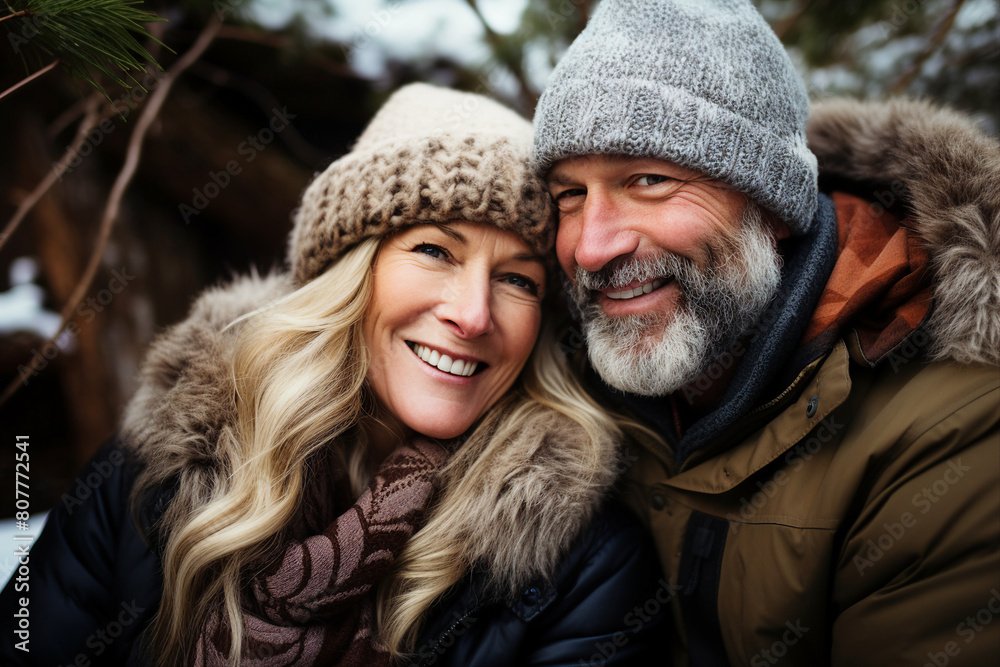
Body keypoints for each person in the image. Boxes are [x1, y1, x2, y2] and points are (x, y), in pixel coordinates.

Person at [0, 83, 666, 666]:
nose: (471, 314)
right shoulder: (164, 466)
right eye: (435, 250)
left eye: (518, 279)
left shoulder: (583, 563)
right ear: (351, 273)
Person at [531, 0, 1000, 665]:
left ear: (772, 208)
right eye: (568, 194)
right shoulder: (564, 380)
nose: (591, 247)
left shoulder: (952, 435)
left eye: (650, 179)